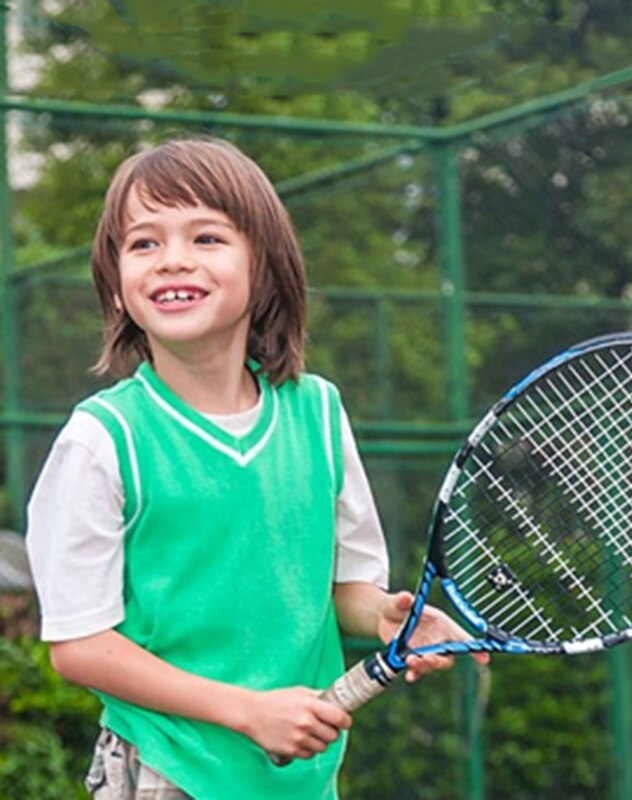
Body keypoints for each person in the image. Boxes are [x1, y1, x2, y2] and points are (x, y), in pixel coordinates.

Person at [25, 137, 489, 800]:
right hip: (167, 768)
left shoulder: (319, 413)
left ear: (264, 269)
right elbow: (80, 645)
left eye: (207, 238)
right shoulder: (102, 440)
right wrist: (247, 711)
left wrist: (388, 616)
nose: (172, 260)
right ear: (117, 287)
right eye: (143, 243)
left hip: (300, 778)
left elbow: (341, 586)